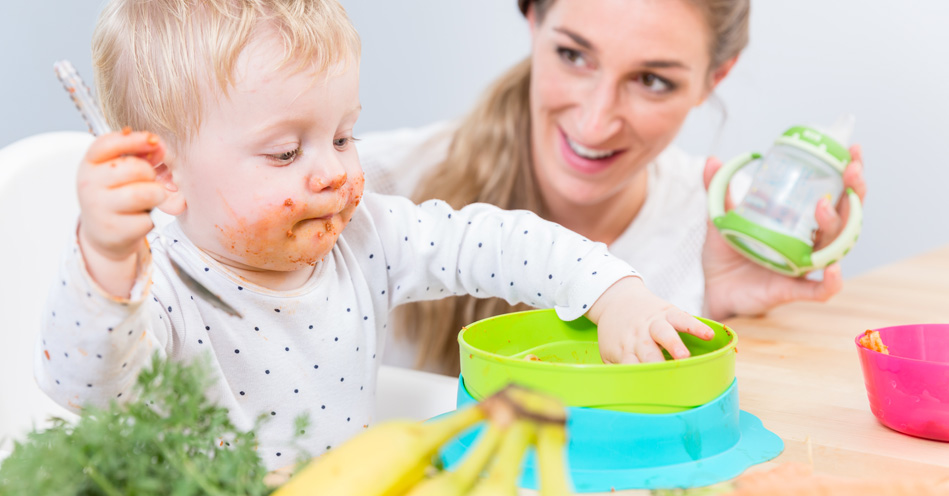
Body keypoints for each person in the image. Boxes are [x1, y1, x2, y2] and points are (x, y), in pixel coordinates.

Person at [35, 0, 714, 471]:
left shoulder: (365, 237)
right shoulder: (157, 289)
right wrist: (104, 261)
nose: (332, 171)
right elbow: (82, 385)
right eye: (283, 154)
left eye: (341, 135)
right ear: (163, 173)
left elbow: (499, 243)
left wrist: (612, 292)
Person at [359, 0, 868, 374]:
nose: (596, 123)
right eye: (574, 56)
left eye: (651, 80)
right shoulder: (369, 189)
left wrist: (724, 317)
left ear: (715, 78)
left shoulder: (723, 231)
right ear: (534, 20)